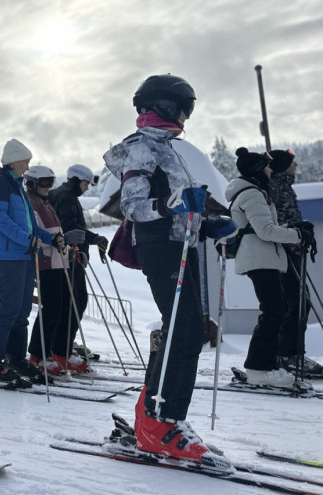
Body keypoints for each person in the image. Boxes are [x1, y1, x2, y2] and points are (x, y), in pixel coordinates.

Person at [104, 74, 234, 468]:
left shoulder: (168, 149)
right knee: (186, 329)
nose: (185, 117)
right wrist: (173, 203)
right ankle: (161, 422)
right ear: (162, 105)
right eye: (182, 108)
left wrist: (207, 225)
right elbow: (133, 206)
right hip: (160, 246)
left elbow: (182, 208)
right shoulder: (142, 147)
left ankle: (153, 417)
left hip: (181, 245)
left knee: (184, 329)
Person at [0, 139, 63, 382]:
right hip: (9, 254)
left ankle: (15, 357)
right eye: (25, 162)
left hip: (25, 253)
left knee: (22, 310)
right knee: (9, 308)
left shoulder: (16, 184)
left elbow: (29, 225)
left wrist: (49, 238)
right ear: (14, 160)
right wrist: (26, 240)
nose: (27, 167)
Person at [226, 148, 307, 387]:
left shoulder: (254, 191)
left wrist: (296, 231)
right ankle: (259, 369)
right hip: (259, 258)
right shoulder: (252, 194)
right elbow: (266, 231)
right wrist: (298, 235)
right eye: (268, 166)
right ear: (258, 170)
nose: (271, 170)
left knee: (276, 310)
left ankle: (264, 365)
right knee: (273, 312)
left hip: (263, 257)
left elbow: (263, 228)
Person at [20, 166, 89, 375]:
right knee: (51, 309)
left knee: (65, 308)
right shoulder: (30, 204)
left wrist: (68, 248)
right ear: (32, 183)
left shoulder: (45, 202)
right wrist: (58, 241)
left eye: (51, 182)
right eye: (44, 182)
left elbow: (56, 232)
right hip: (45, 262)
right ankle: (38, 355)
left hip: (60, 260)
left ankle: (59, 353)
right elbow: (34, 234)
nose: (49, 187)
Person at [269, 150, 323, 375]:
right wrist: (296, 233)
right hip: (283, 252)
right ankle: (288, 355)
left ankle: (289, 354)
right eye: (292, 162)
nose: (297, 165)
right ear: (283, 165)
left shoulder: (285, 186)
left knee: (297, 304)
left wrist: (302, 228)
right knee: (296, 304)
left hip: (293, 250)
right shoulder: (274, 187)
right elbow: (273, 221)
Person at [48, 164, 109, 359]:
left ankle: (63, 344)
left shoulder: (59, 194)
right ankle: (61, 350)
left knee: (69, 303)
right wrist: (95, 239)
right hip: (69, 257)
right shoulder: (67, 197)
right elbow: (71, 228)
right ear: (75, 180)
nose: (87, 188)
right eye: (85, 183)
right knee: (75, 303)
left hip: (64, 257)